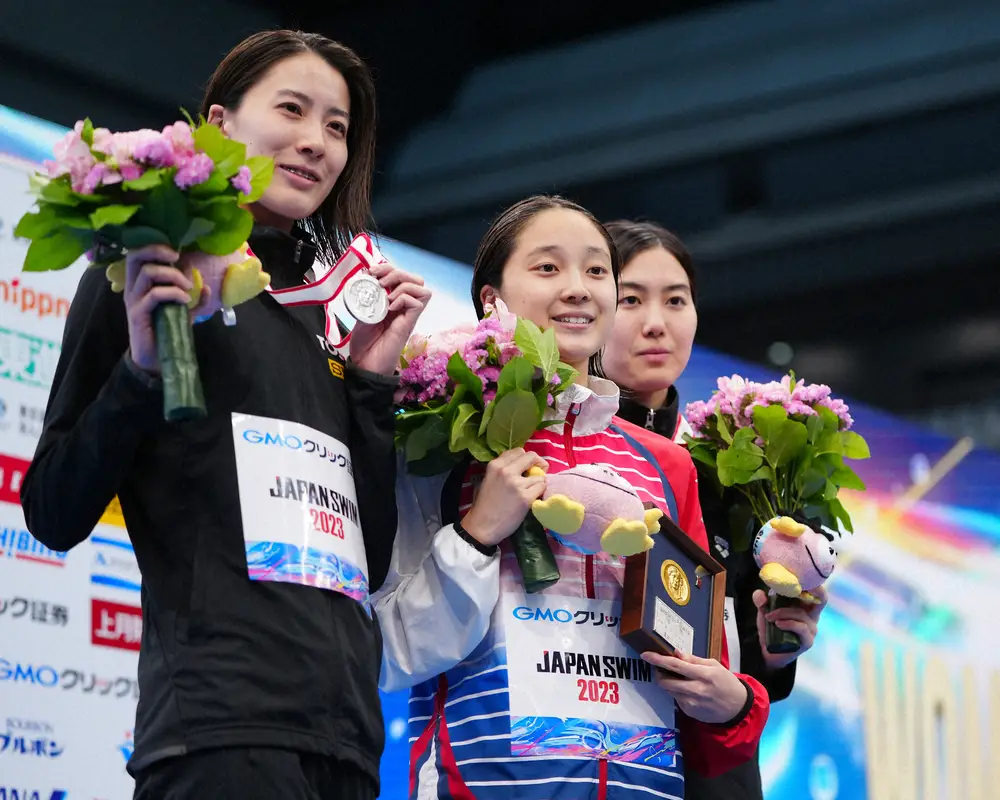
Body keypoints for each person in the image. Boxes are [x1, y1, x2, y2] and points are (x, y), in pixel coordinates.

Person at [20, 30, 431, 800]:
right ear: (221, 122)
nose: (316, 143)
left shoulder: (325, 321)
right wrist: (144, 371)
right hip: (221, 728)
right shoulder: (149, 274)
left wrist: (372, 383)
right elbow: (52, 508)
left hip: (346, 741)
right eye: (292, 109)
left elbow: (365, 563)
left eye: (338, 128)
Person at [373, 195, 770, 799]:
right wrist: (477, 536)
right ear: (491, 300)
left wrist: (736, 700)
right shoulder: (437, 439)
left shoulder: (667, 465)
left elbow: (696, 657)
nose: (579, 288)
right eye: (547, 267)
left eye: (595, 270)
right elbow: (392, 647)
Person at [602, 219, 828, 800]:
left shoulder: (729, 472)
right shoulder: (551, 454)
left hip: (713, 774)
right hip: (588, 761)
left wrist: (778, 645)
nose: (657, 322)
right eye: (630, 299)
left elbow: (753, 671)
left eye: (676, 300)